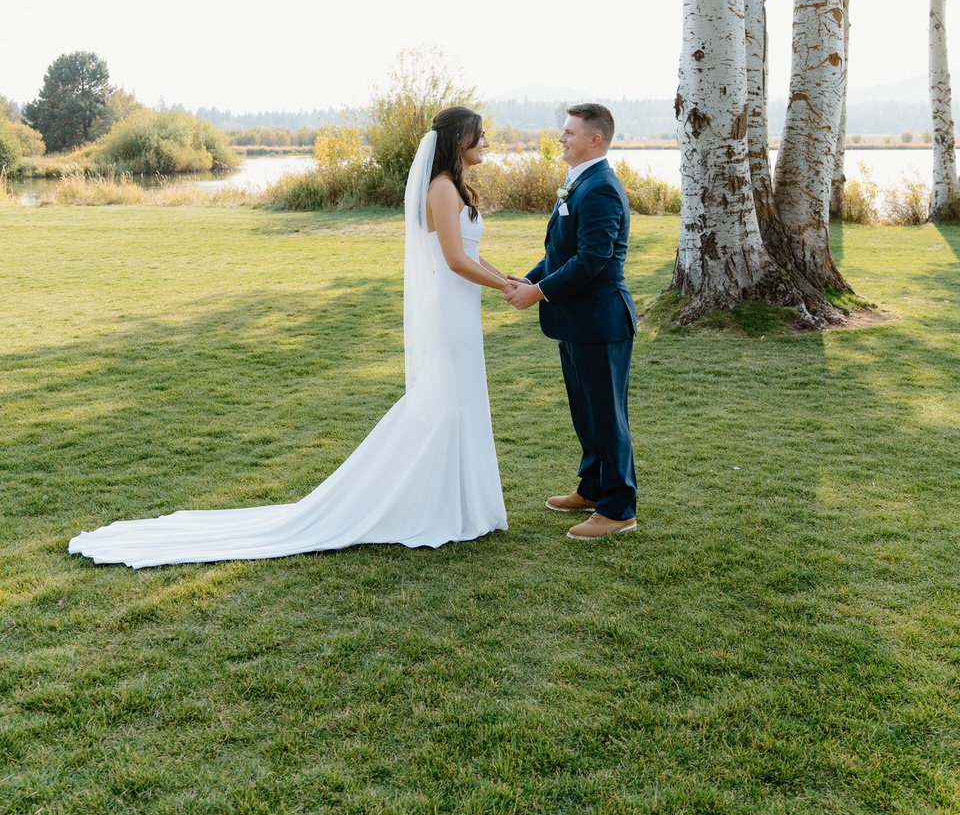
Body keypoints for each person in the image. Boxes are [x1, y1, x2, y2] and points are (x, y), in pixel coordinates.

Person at [68, 107, 510, 567]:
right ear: (460, 138)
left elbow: (472, 253)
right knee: (446, 402)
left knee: (460, 401)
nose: (486, 143)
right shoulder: (440, 187)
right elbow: (456, 261)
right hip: (450, 308)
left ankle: (460, 503)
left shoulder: (455, 186)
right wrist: (503, 287)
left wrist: (507, 277)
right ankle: (433, 504)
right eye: (480, 136)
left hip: (463, 307)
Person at [504, 104, 637, 540]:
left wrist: (537, 293)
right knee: (586, 413)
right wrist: (529, 277)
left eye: (568, 131)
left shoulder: (599, 188)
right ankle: (592, 489)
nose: (560, 137)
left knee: (607, 416)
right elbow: (561, 254)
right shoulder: (578, 182)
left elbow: (592, 261)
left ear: (594, 139)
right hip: (576, 321)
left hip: (601, 321)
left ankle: (618, 510)